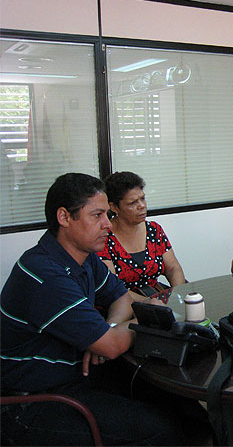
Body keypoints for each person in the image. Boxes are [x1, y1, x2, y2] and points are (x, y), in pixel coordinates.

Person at [0, 173, 186, 445]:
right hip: (31, 402)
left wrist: (106, 330)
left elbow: (121, 298)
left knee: (179, 404)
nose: (107, 226)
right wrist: (147, 316)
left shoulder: (83, 258)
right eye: (97, 216)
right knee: (163, 430)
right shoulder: (45, 273)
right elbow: (111, 346)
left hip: (75, 378)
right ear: (64, 217)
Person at [98, 171, 186, 301]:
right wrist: (150, 304)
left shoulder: (154, 230)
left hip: (156, 297)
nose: (142, 206)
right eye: (132, 203)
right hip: (122, 304)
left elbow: (173, 269)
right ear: (114, 207)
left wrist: (178, 296)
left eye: (143, 198)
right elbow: (113, 288)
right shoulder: (104, 237)